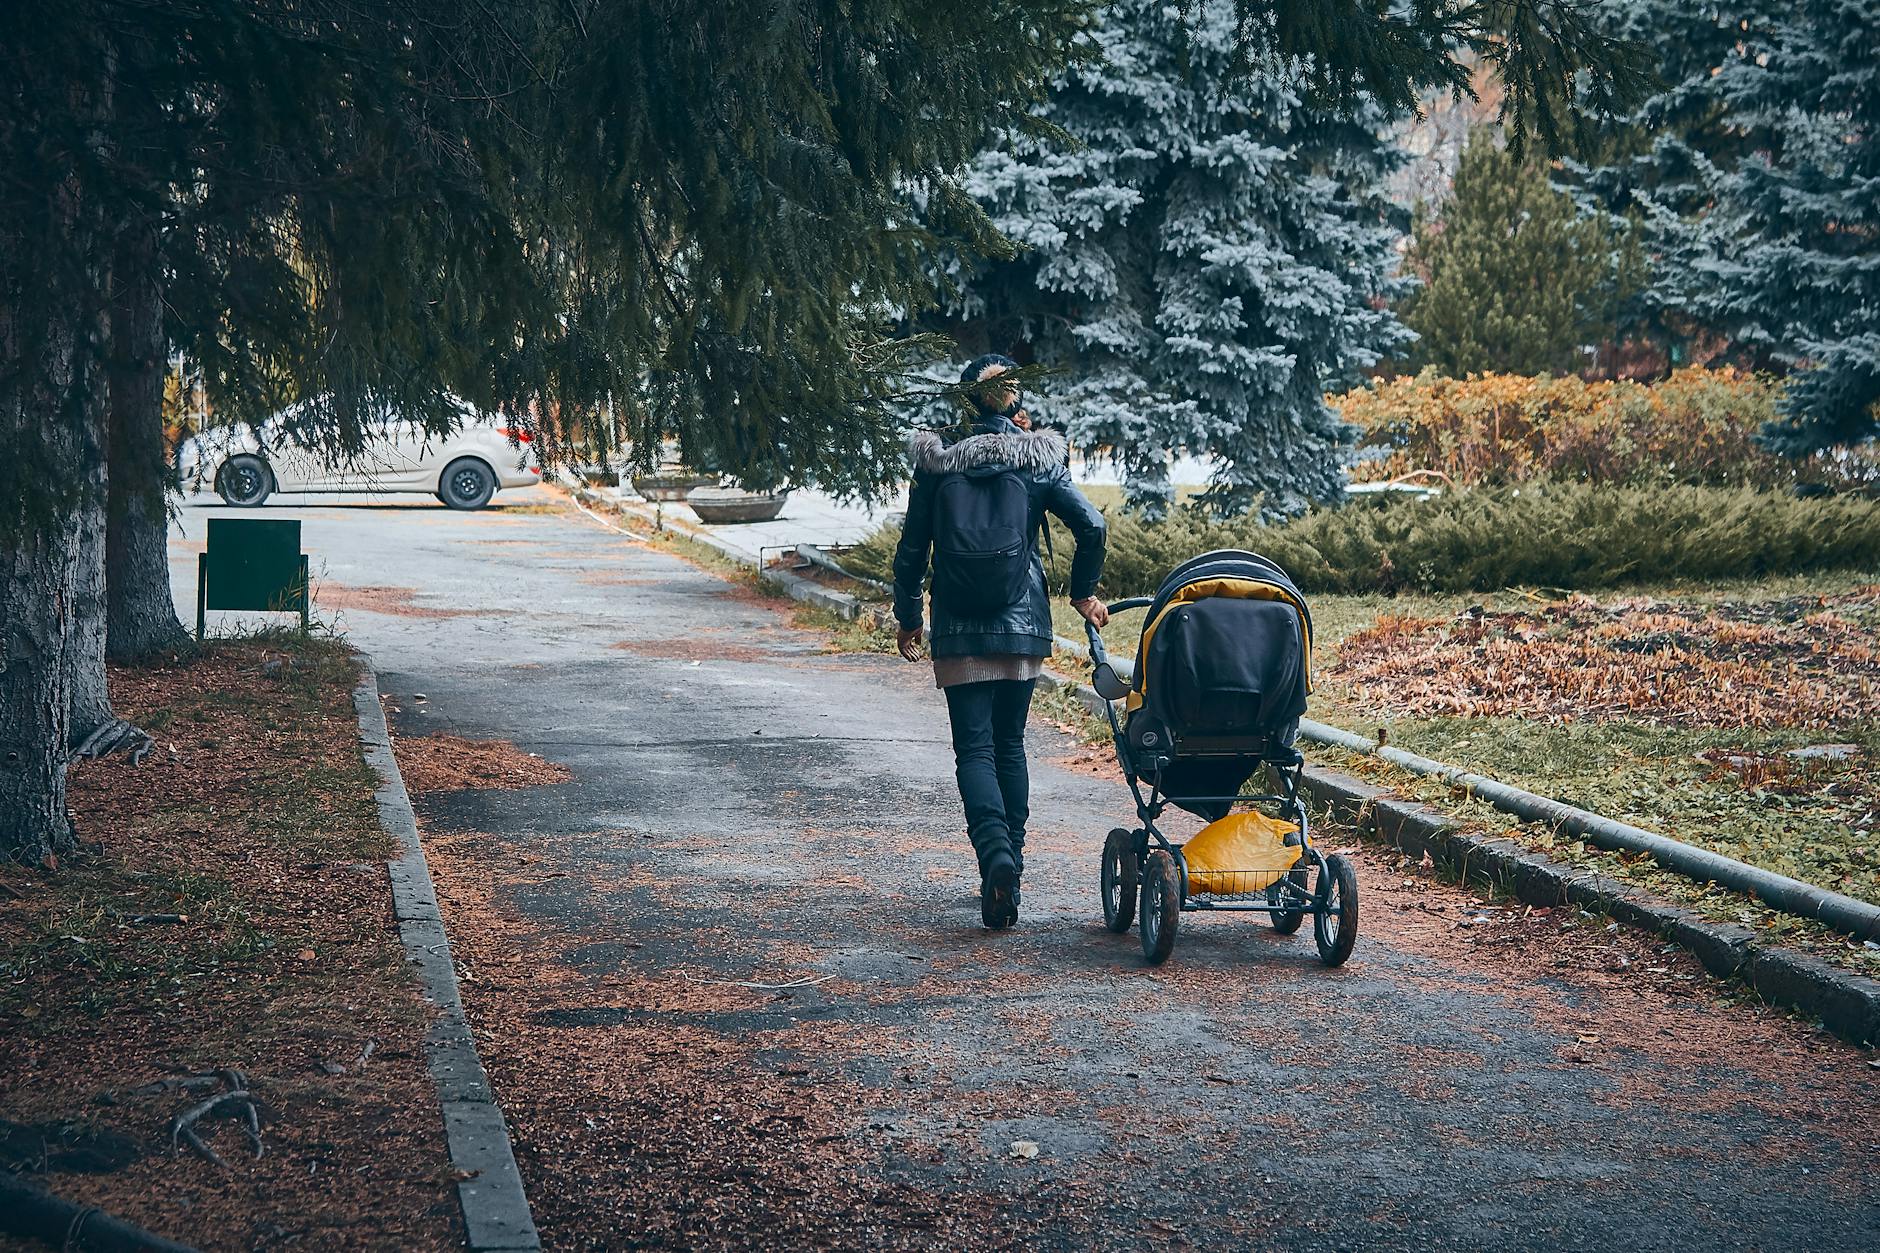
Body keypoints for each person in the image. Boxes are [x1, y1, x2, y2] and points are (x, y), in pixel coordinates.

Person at [892, 355, 1108, 929]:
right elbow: (1092, 526)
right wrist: (1083, 594)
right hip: (1022, 626)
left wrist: (909, 616)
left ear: (967, 402)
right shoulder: (1039, 460)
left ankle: (995, 859)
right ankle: (1011, 860)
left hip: (959, 628)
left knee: (975, 750)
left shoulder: (937, 463)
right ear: (1014, 402)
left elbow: (913, 548)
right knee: (1010, 745)